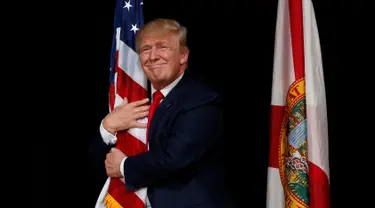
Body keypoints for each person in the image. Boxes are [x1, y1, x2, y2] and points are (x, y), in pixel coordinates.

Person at [89, 18, 234, 208]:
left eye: (162, 47)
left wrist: (123, 166)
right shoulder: (132, 99)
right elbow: (92, 164)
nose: (153, 56)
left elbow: (174, 157)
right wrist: (107, 127)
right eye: (146, 49)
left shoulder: (201, 99)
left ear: (183, 56)